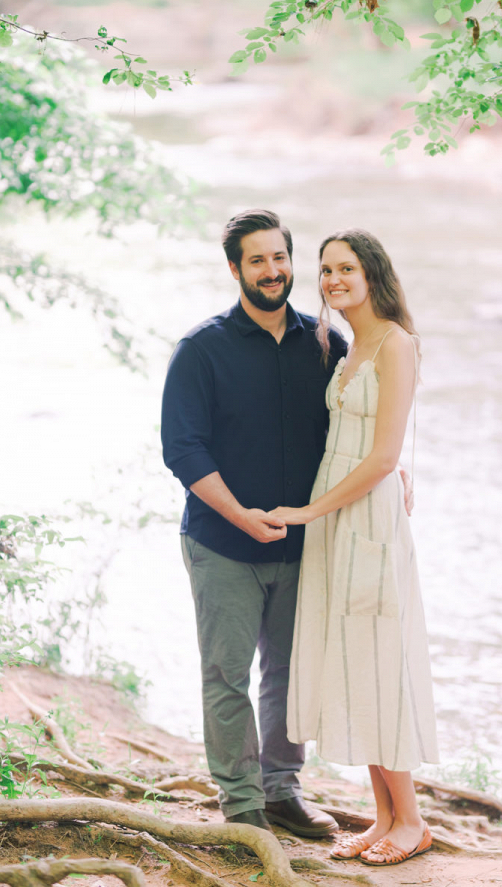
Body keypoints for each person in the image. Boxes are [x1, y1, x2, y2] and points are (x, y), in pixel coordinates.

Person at [161, 210, 413, 836]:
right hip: (222, 542)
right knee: (227, 674)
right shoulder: (201, 349)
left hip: (308, 542)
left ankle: (281, 791)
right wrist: (238, 515)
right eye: (257, 260)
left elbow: (358, 423)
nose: (273, 271)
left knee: (289, 672)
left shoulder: (324, 343)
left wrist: (394, 466)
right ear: (234, 269)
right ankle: (242, 805)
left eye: (281, 258)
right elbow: (182, 448)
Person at [271, 229, 439, 865]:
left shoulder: (396, 344)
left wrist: (313, 509)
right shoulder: (344, 346)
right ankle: (383, 818)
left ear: (372, 273)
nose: (333, 279)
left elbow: (385, 454)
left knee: (380, 660)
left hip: (363, 517)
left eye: (345, 268)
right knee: (351, 658)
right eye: (325, 270)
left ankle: (413, 822)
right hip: (338, 511)